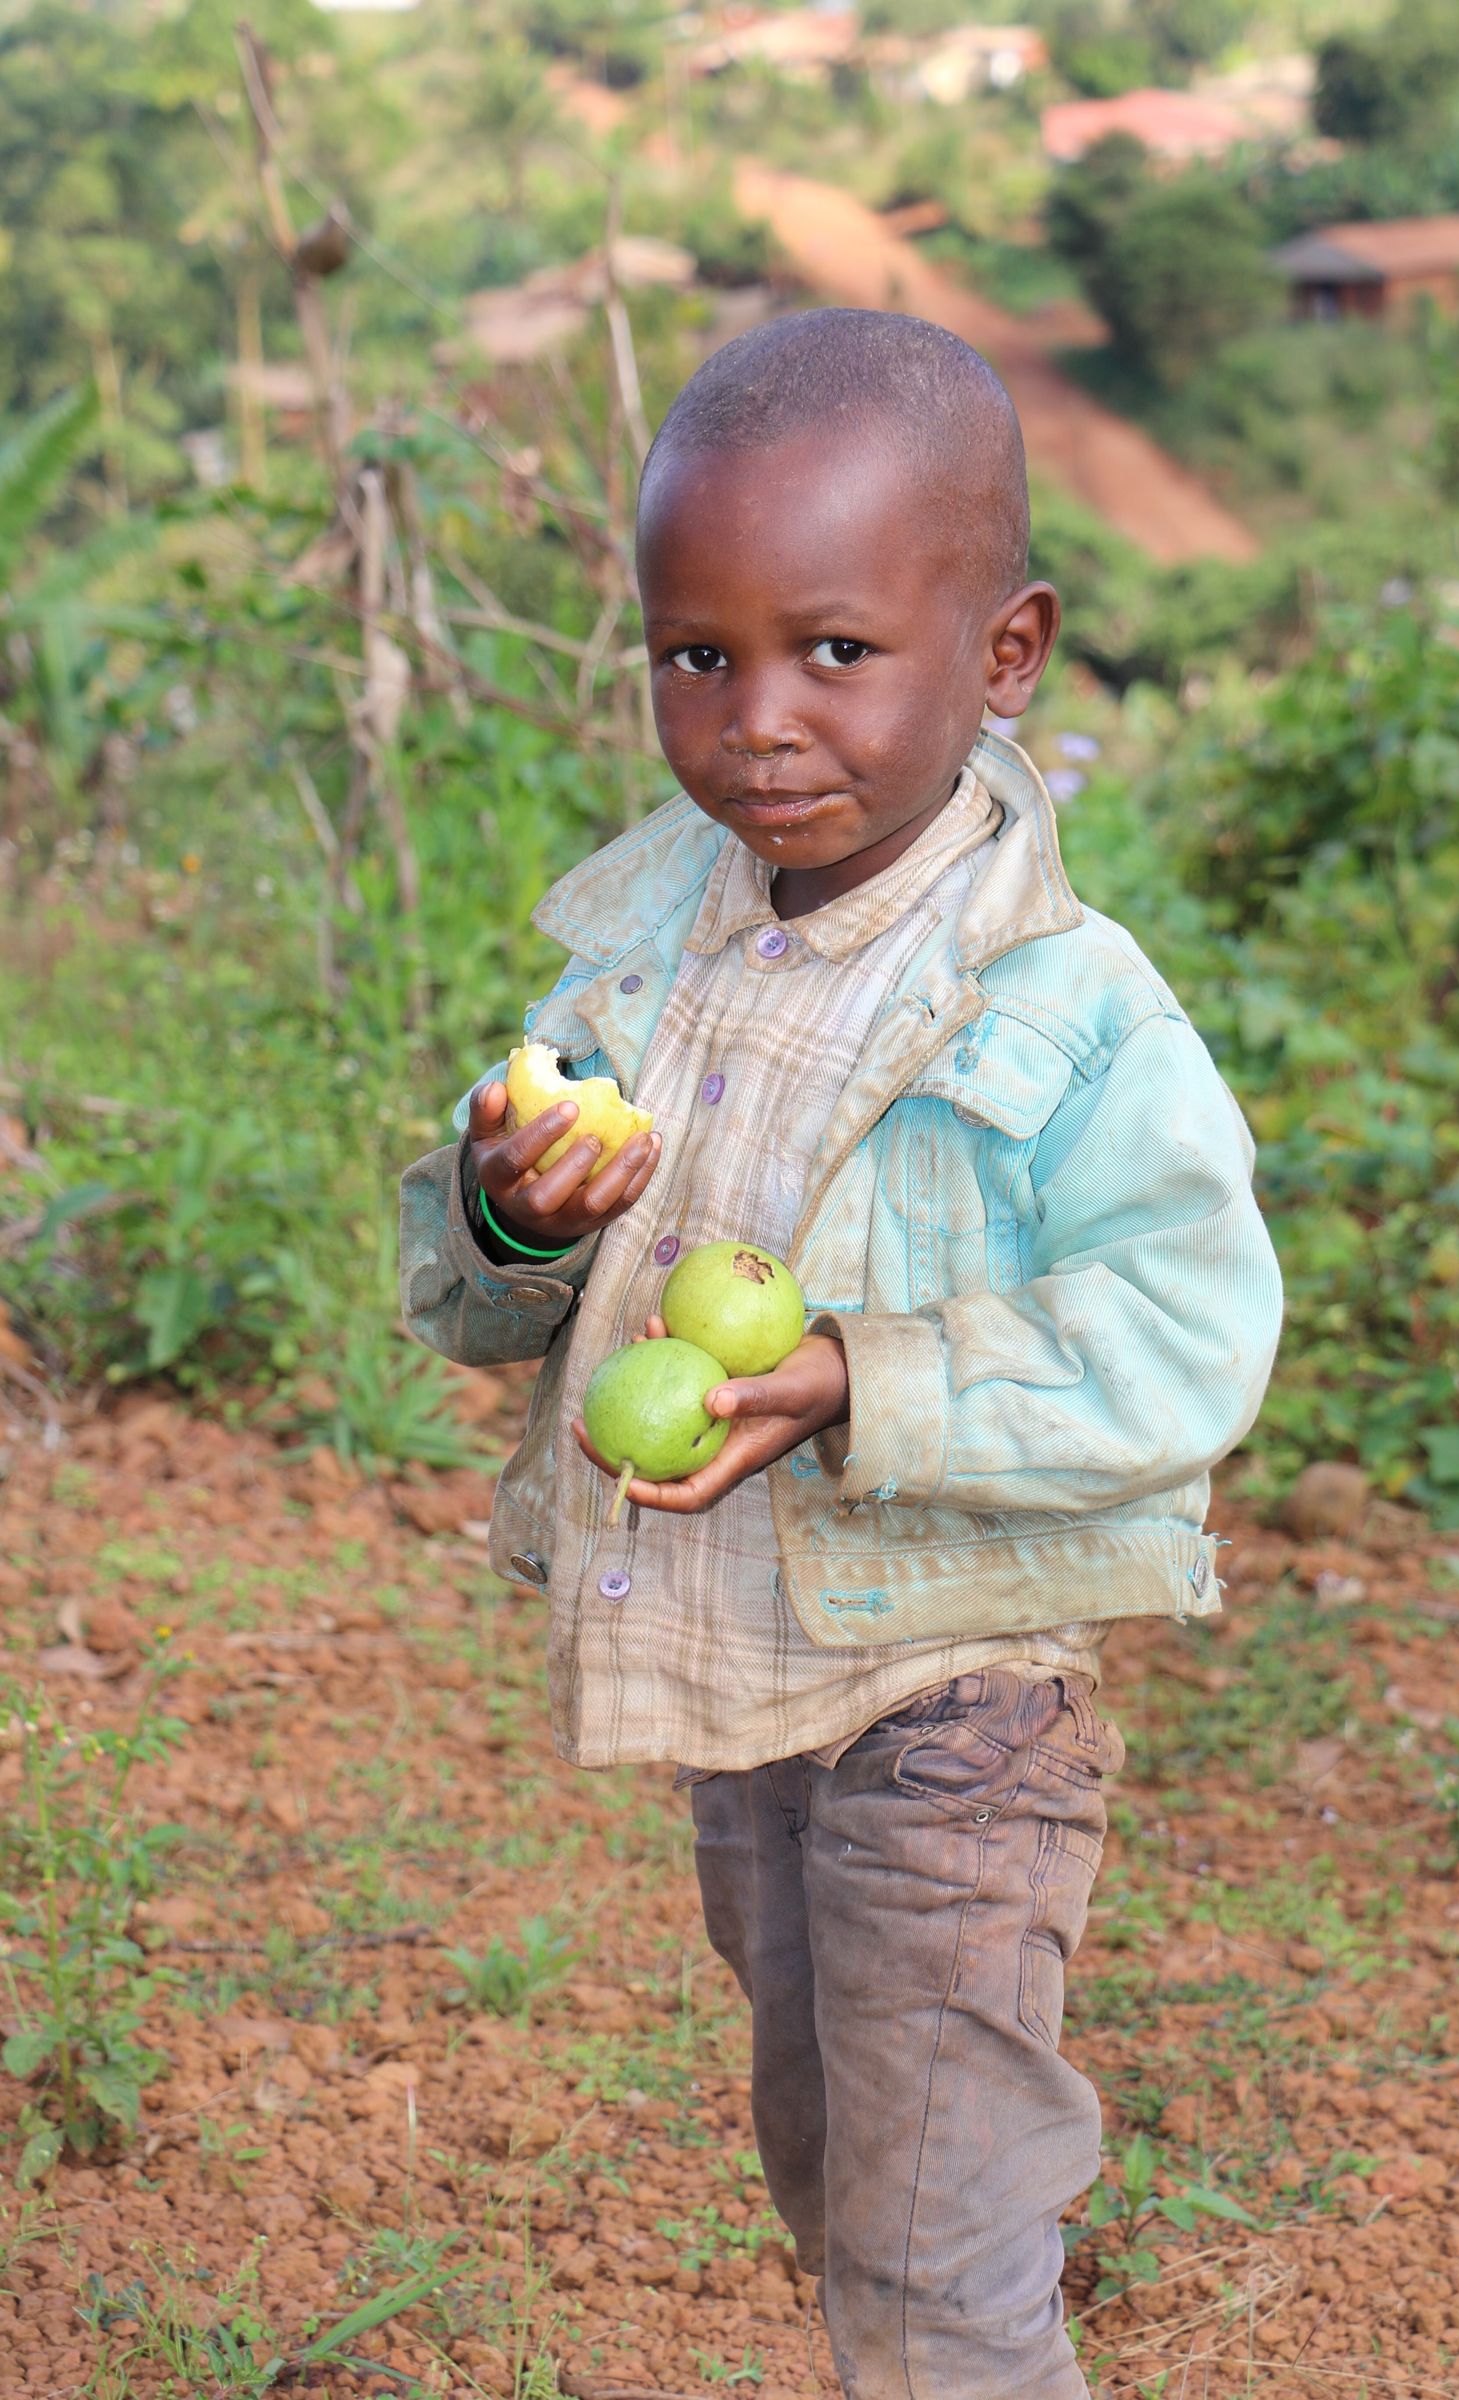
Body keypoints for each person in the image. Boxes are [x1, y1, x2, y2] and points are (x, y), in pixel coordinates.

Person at [399, 308, 1282, 2400]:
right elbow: (459, 1301)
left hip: (959, 1707)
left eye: (833, 651)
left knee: (926, 2260)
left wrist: (864, 1379)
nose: (757, 721)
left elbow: (1185, 1330)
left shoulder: (1066, 1010)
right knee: (829, 2169)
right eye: (696, 656)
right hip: (755, 1698)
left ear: (1001, 655)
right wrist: (515, 1211)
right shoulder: (638, 953)